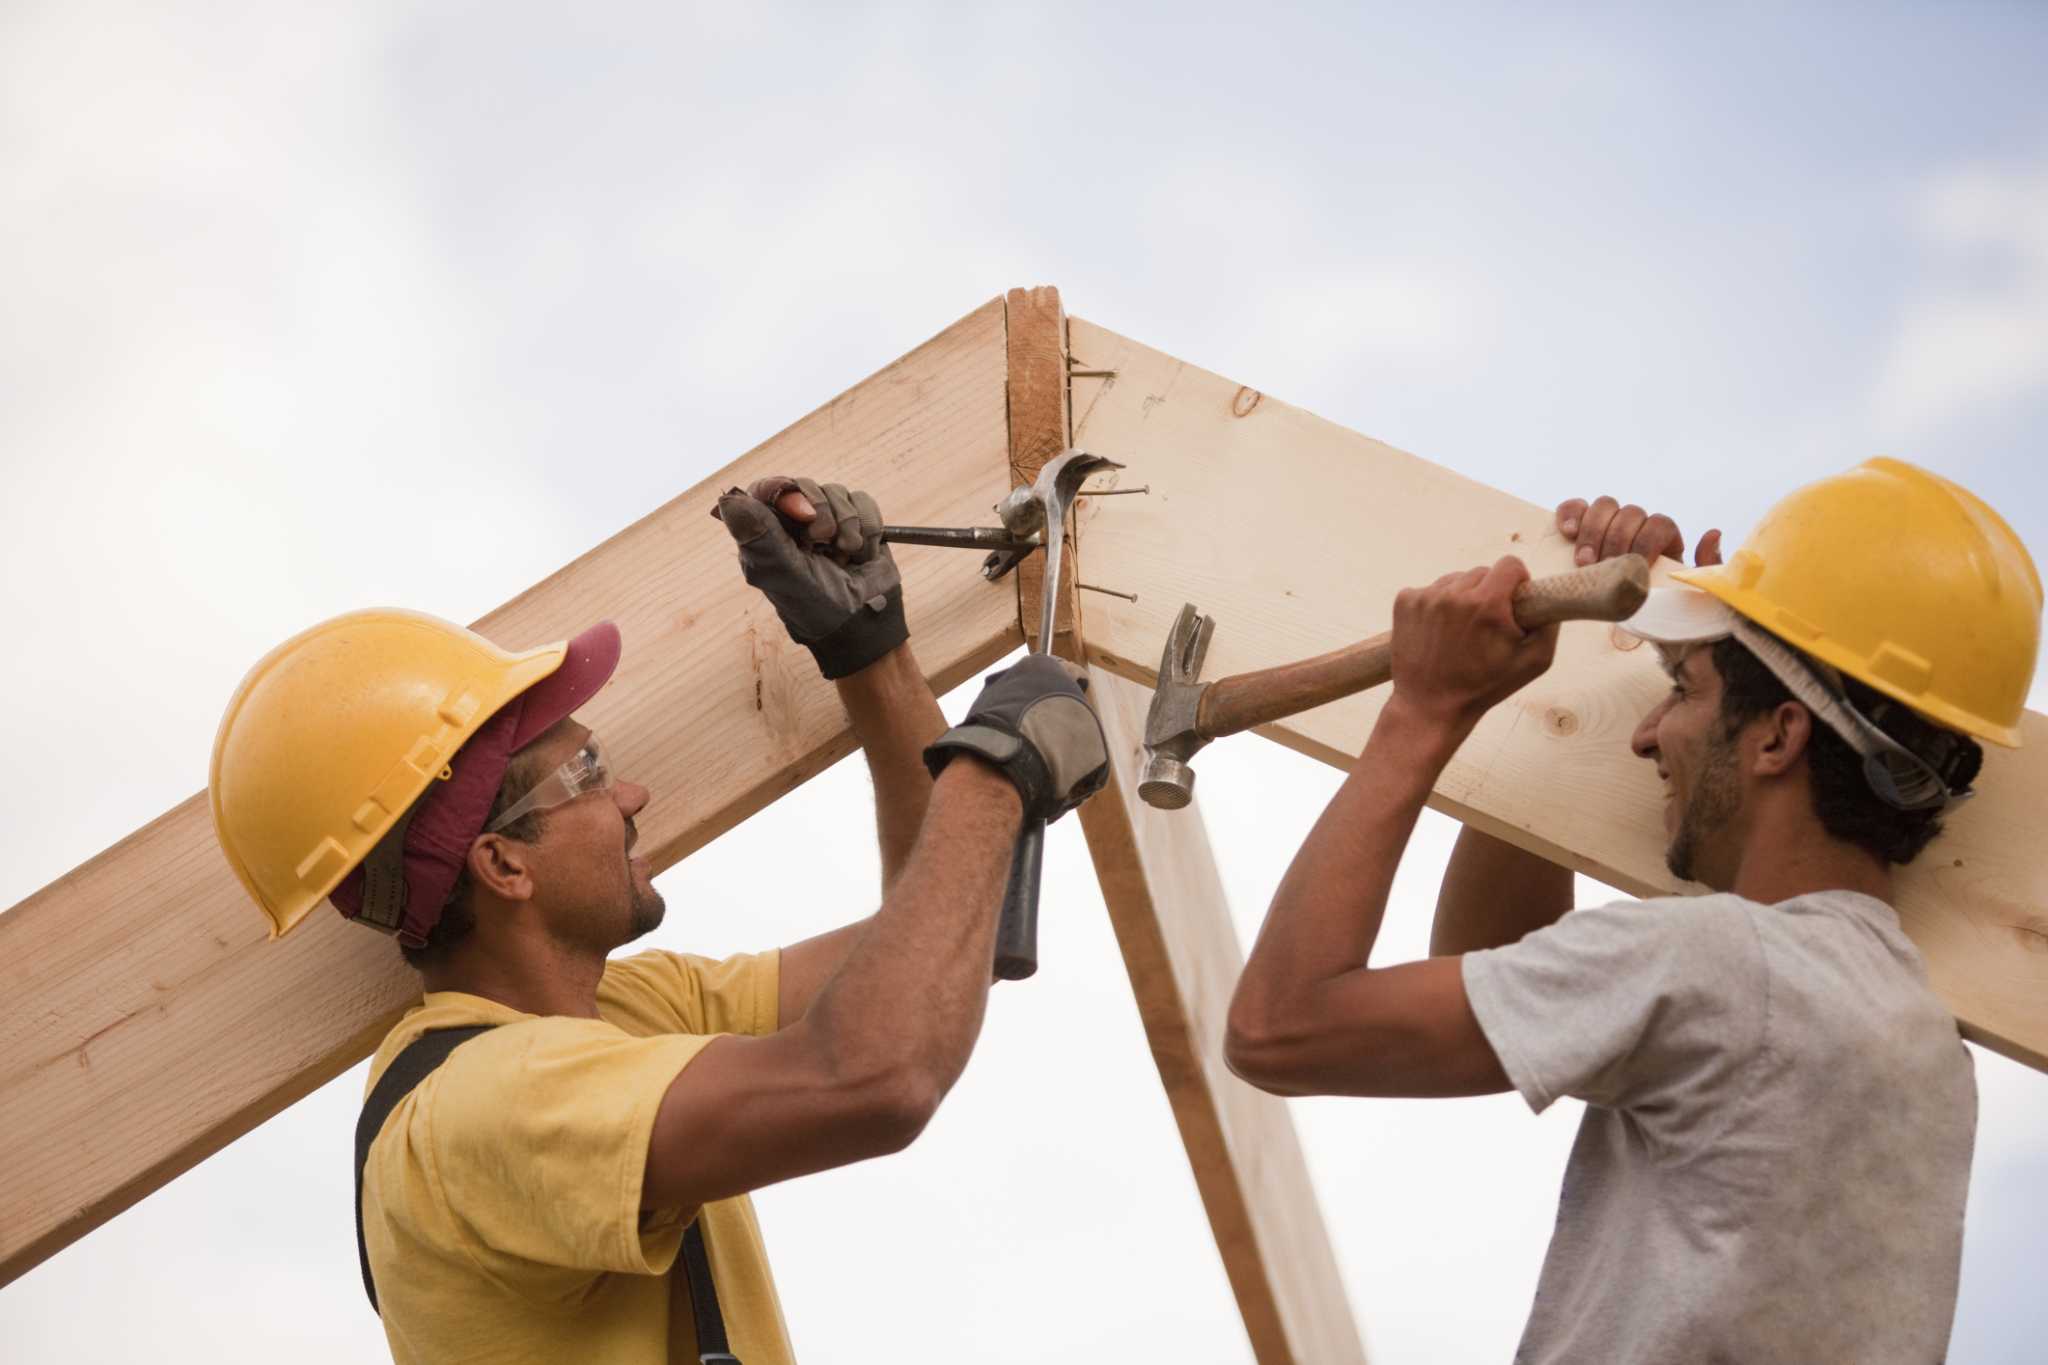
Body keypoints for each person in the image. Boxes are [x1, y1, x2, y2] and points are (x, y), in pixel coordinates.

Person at [208, 477, 1108, 1365]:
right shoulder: (481, 1111)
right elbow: (877, 1076)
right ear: (502, 864)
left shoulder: (624, 1011)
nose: (632, 794)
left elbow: (947, 949)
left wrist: (871, 654)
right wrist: (992, 768)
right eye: (590, 773)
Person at [1223, 459, 2040, 1362]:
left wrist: (1423, 710)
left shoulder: (1718, 965)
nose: (1647, 732)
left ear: (1779, 735)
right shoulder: (1925, 1051)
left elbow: (1277, 1027)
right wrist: (1565, 665)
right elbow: (1505, 968)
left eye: (1683, 690)